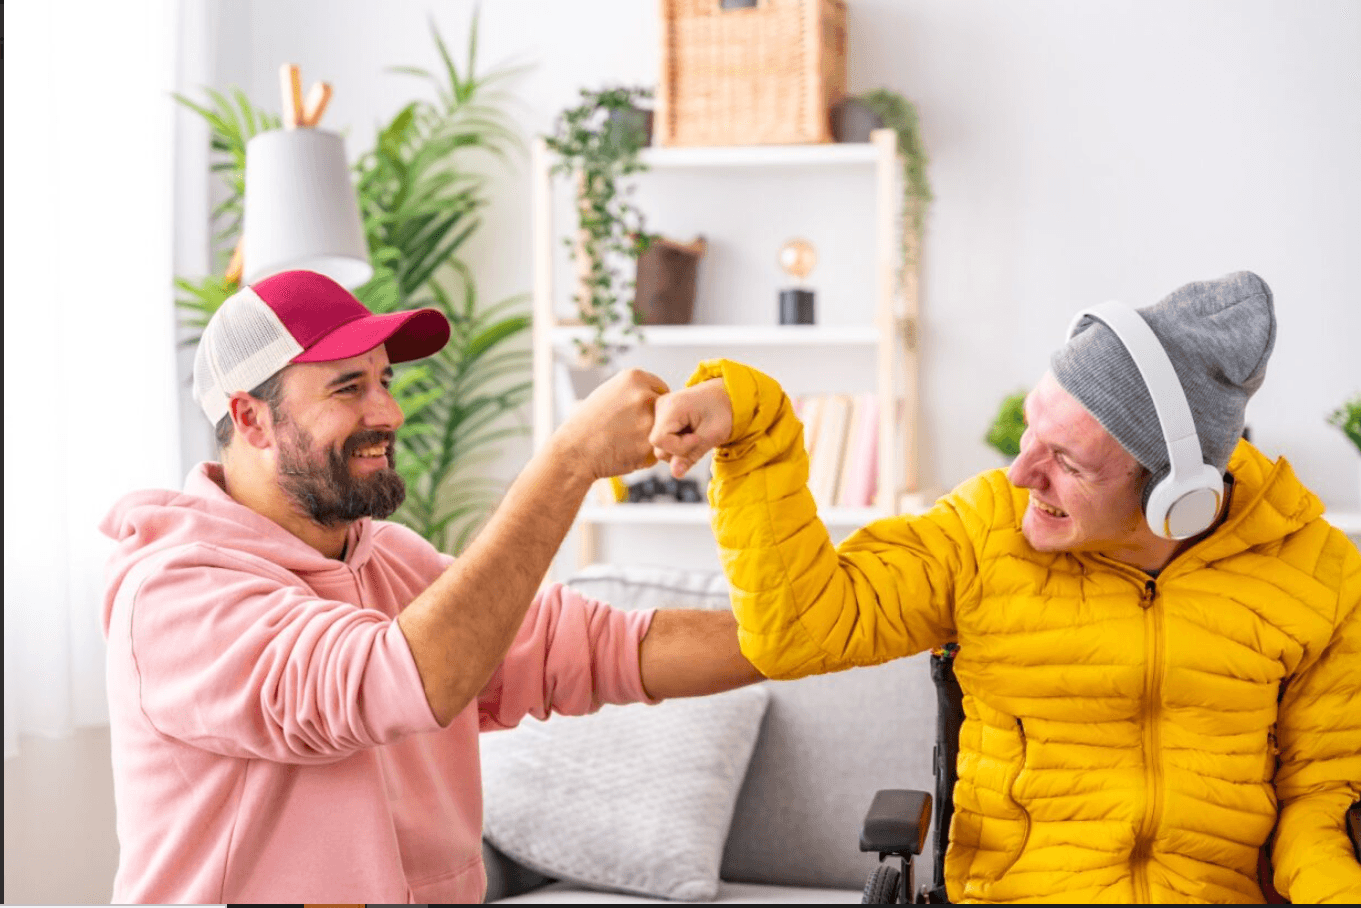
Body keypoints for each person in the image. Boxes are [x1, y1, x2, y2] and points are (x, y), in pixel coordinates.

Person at [649, 271, 1361, 903]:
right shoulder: (983, 529)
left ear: (1175, 496)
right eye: (1029, 432)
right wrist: (752, 430)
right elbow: (798, 630)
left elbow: (1323, 798)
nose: (1020, 474)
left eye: (1066, 462)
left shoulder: (1319, 575)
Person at [99, 270, 763, 904]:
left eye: (383, 380)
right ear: (251, 420)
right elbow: (383, 681)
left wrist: (807, 632)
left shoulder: (391, 560)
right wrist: (567, 464)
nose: (387, 411)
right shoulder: (174, 593)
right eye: (347, 388)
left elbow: (594, 646)